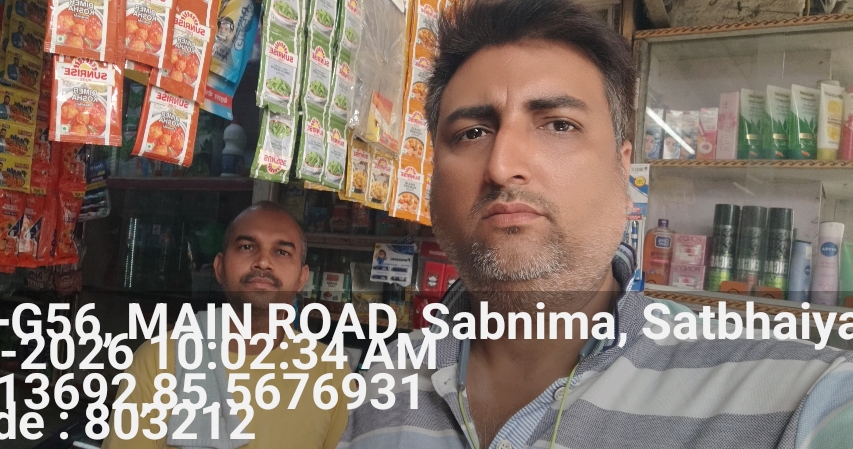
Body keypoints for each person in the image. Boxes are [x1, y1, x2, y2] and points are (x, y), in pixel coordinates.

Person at [339, 1, 853, 449]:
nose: (502, 165)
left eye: (559, 125)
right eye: (472, 133)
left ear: (622, 168)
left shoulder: (801, 396)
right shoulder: (388, 376)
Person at [103, 202, 349, 449]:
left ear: (302, 278)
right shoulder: (159, 359)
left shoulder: (331, 372)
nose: (263, 262)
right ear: (219, 268)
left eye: (282, 252)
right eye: (247, 247)